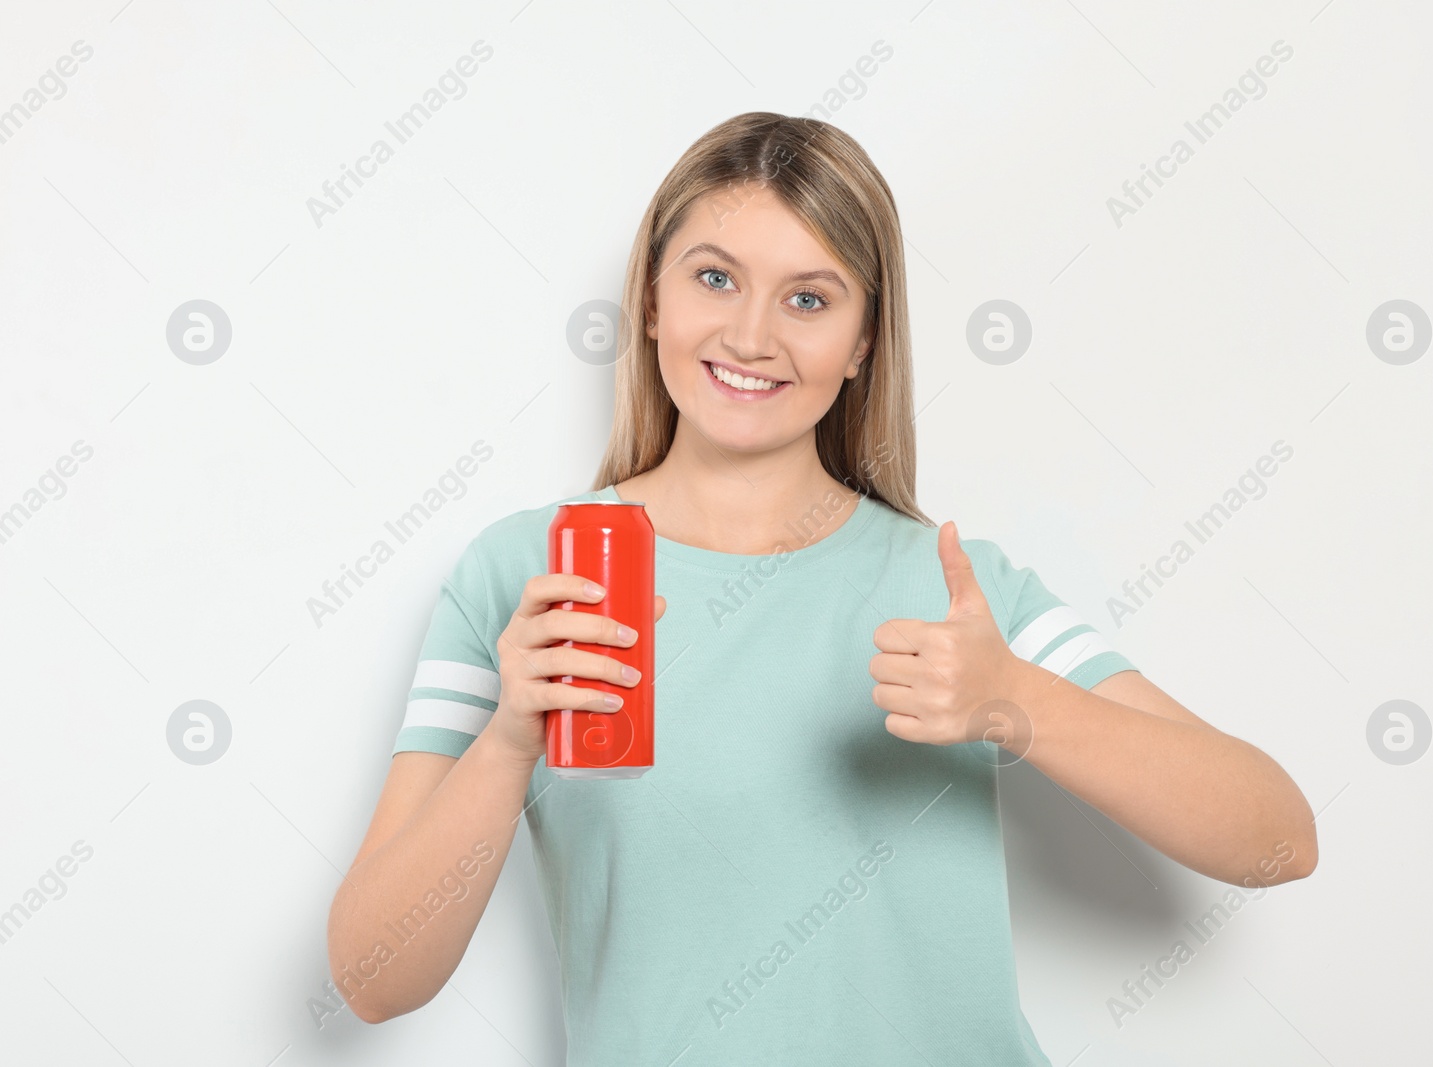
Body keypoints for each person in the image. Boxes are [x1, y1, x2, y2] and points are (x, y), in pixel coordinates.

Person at [326, 111, 1318, 1064]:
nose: (751, 335)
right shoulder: (526, 577)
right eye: (715, 277)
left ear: (862, 344)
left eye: (809, 297)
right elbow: (372, 977)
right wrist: (508, 738)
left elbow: (1276, 838)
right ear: (651, 300)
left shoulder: (953, 590)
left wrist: (1019, 699)